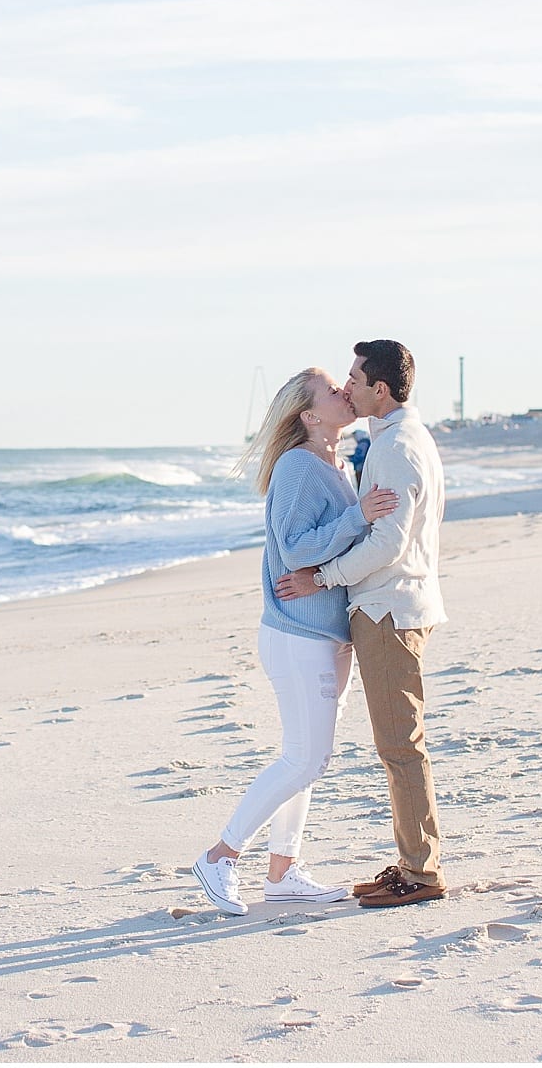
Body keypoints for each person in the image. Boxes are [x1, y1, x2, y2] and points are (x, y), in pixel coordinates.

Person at [191, 367, 399, 916]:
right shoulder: (298, 467)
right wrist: (359, 515)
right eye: (332, 391)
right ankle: (220, 855)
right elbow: (296, 549)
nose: (343, 393)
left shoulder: (333, 462)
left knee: (308, 757)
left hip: (328, 631)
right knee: (304, 759)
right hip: (296, 631)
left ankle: (282, 873)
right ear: (308, 415)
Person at [276, 339, 448, 909]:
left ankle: (421, 873)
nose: (346, 387)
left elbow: (388, 543)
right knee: (399, 744)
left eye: (354, 378)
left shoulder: (396, 448)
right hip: (390, 608)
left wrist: (320, 578)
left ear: (381, 389)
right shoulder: (394, 441)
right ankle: (411, 863)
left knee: (400, 746)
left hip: (386, 612)